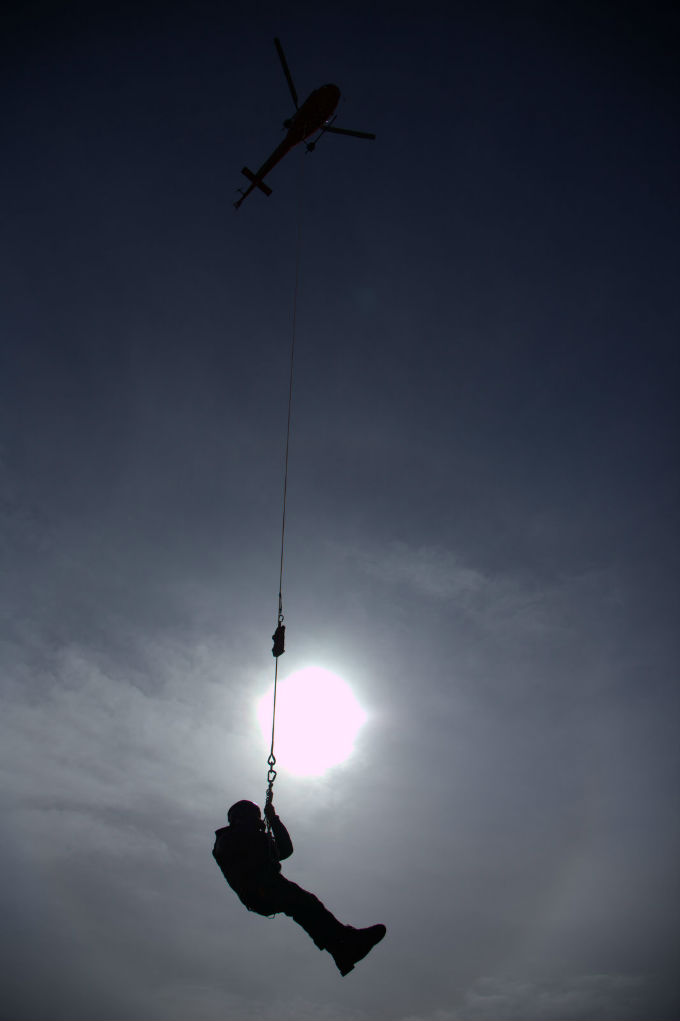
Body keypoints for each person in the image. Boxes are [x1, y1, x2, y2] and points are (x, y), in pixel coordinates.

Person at [213, 798, 386, 975]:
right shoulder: (227, 839)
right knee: (303, 903)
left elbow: (285, 850)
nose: (257, 821)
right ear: (241, 818)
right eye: (253, 817)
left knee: (307, 905)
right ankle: (344, 946)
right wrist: (261, 831)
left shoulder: (248, 836)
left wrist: (273, 819)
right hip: (260, 890)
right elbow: (248, 852)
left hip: (268, 888)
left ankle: (341, 949)